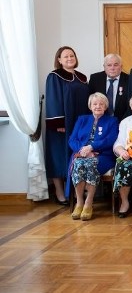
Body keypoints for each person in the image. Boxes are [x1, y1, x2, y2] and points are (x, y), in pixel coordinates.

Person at [45, 46, 90, 205]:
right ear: (59, 60)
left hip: (79, 124)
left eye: (72, 55)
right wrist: (58, 124)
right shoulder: (55, 77)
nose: (70, 58)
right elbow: (53, 101)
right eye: (66, 56)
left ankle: (76, 191)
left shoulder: (82, 77)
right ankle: (59, 191)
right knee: (59, 156)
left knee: (77, 155)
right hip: (62, 125)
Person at [68, 93, 118, 221]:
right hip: (81, 154)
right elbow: (72, 140)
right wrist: (83, 150)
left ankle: (88, 203)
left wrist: (92, 147)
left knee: (91, 164)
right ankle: (79, 203)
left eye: (101, 104)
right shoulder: (82, 119)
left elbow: (111, 139)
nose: (98, 106)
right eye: (95, 104)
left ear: (106, 106)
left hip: (103, 156)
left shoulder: (112, 121)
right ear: (90, 106)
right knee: (79, 164)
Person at [88, 53, 129, 121]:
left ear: (121, 66)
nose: (112, 68)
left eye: (115, 65)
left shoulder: (129, 80)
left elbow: (131, 104)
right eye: (109, 65)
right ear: (104, 66)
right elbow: (90, 101)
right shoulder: (95, 78)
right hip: (99, 120)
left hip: (122, 121)